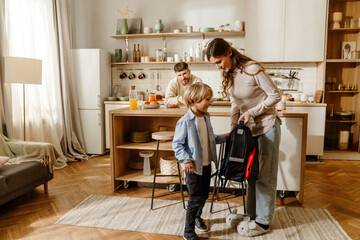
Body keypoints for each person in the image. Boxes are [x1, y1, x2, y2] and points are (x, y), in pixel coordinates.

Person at [206, 38, 281, 237]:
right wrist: (232, 128)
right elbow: (235, 104)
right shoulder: (228, 74)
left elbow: (275, 95)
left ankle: (263, 223)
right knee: (251, 175)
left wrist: (254, 112)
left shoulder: (252, 69)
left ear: (229, 52)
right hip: (248, 132)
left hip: (267, 127)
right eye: (215, 64)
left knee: (266, 176)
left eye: (219, 61)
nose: (218, 67)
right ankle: (252, 215)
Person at [172, 82, 228, 240]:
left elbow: (210, 139)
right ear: (195, 99)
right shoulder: (185, 121)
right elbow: (177, 145)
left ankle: (197, 217)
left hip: (206, 165)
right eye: (207, 99)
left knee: (203, 195)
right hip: (193, 168)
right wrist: (185, 160)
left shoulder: (205, 118)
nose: (209, 103)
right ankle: (188, 231)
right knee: (195, 198)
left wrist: (224, 137)